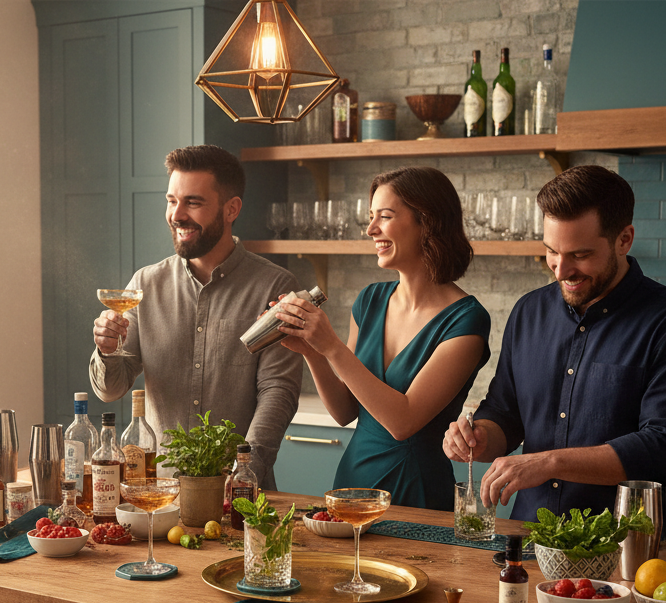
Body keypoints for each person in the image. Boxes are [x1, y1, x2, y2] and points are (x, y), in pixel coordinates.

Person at [442, 164, 666, 522]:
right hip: (528, 534)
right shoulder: (528, 311)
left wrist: (551, 462)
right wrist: (476, 437)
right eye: (552, 251)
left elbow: (664, 447)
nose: (560, 269)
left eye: (580, 255)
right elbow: (506, 414)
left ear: (624, 240)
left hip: (622, 546)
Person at [273, 166, 490, 509]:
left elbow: (403, 422)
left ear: (427, 222)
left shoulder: (466, 320)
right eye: (371, 217)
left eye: (385, 217)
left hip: (416, 489)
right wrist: (312, 351)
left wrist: (331, 345)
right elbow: (345, 411)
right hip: (352, 484)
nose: (371, 229)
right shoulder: (370, 300)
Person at [89, 145, 301, 488]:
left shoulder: (274, 286)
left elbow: (278, 390)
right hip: (159, 493)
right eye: (172, 201)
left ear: (231, 209)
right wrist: (107, 348)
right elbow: (111, 389)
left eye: (193, 202)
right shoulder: (145, 284)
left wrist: (247, 468)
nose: (177, 214)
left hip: (239, 490)